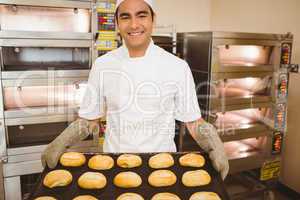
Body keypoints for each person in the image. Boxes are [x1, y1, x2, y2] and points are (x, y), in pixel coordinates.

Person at [42, 0, 229, 179]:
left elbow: (193, 122)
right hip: (114, 165)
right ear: (116, 22)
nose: (134, 24)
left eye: (141, 15)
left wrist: (213, 141)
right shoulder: (103, 65)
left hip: (163, 167)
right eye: (125, 17)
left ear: (153, 19)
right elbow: (90, 119)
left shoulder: (177, 66)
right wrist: (63, 140)